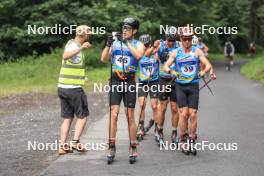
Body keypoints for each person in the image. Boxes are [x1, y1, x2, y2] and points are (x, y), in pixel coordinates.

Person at [101, 17, 145, 164]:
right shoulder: (115, 42)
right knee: (113, 114)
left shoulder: (138, 44)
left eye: (128, 29)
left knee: (130, 115)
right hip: (115, 80)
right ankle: (111, 146)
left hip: (129, 81)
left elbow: (138, 56)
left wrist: (127, 42)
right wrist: (108, 45)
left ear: (135, 30)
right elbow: (104, 59)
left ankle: (133, 146)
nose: (125, 31)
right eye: (123, 28)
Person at [163, 26, 213, 155]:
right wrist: (172, 71)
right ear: (181, 39)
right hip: (180, 86)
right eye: (185, 39)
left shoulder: (197, 51)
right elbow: (165, 66)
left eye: (189, 39)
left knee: (193, 114)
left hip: (193, 86)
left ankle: (192, 140)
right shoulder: (176, 52)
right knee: (183, 114)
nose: (187, 41)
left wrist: (202, 72)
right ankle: (183, 140)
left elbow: (207, 64)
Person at [57, 25, 91, 155]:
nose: (89, 36)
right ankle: (75, 142)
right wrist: (81, 47)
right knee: (83, 116)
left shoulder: (72, 44)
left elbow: (72, 64)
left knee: (67, 118)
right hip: (73, 89)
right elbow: (65, 56)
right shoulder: (75, 46)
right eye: (88, 33)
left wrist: (82, 76)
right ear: (84, 35)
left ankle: (62, 146)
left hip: (63, 87)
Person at [154, 26, 180, 146]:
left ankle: (174, 132)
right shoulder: (161, 45)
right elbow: (151, 55)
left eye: (172, 40)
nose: (170, 43)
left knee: (175, 108)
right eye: (168, 40)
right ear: (166, 38)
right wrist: (154, 48)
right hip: (164, 78)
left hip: (176, 80)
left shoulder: (179, 46)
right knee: (163, 106)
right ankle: (159, 130)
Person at [136, 34, 159, 141]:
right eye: (143, 44)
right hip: (143, 82)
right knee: (142, 104)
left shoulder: (156, 52)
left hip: (154, 81)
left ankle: (155, 125)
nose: (145, 46)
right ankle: (141, 126)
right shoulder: (139, 54)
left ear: (149, 43)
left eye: (146, 44)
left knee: (154, 106)